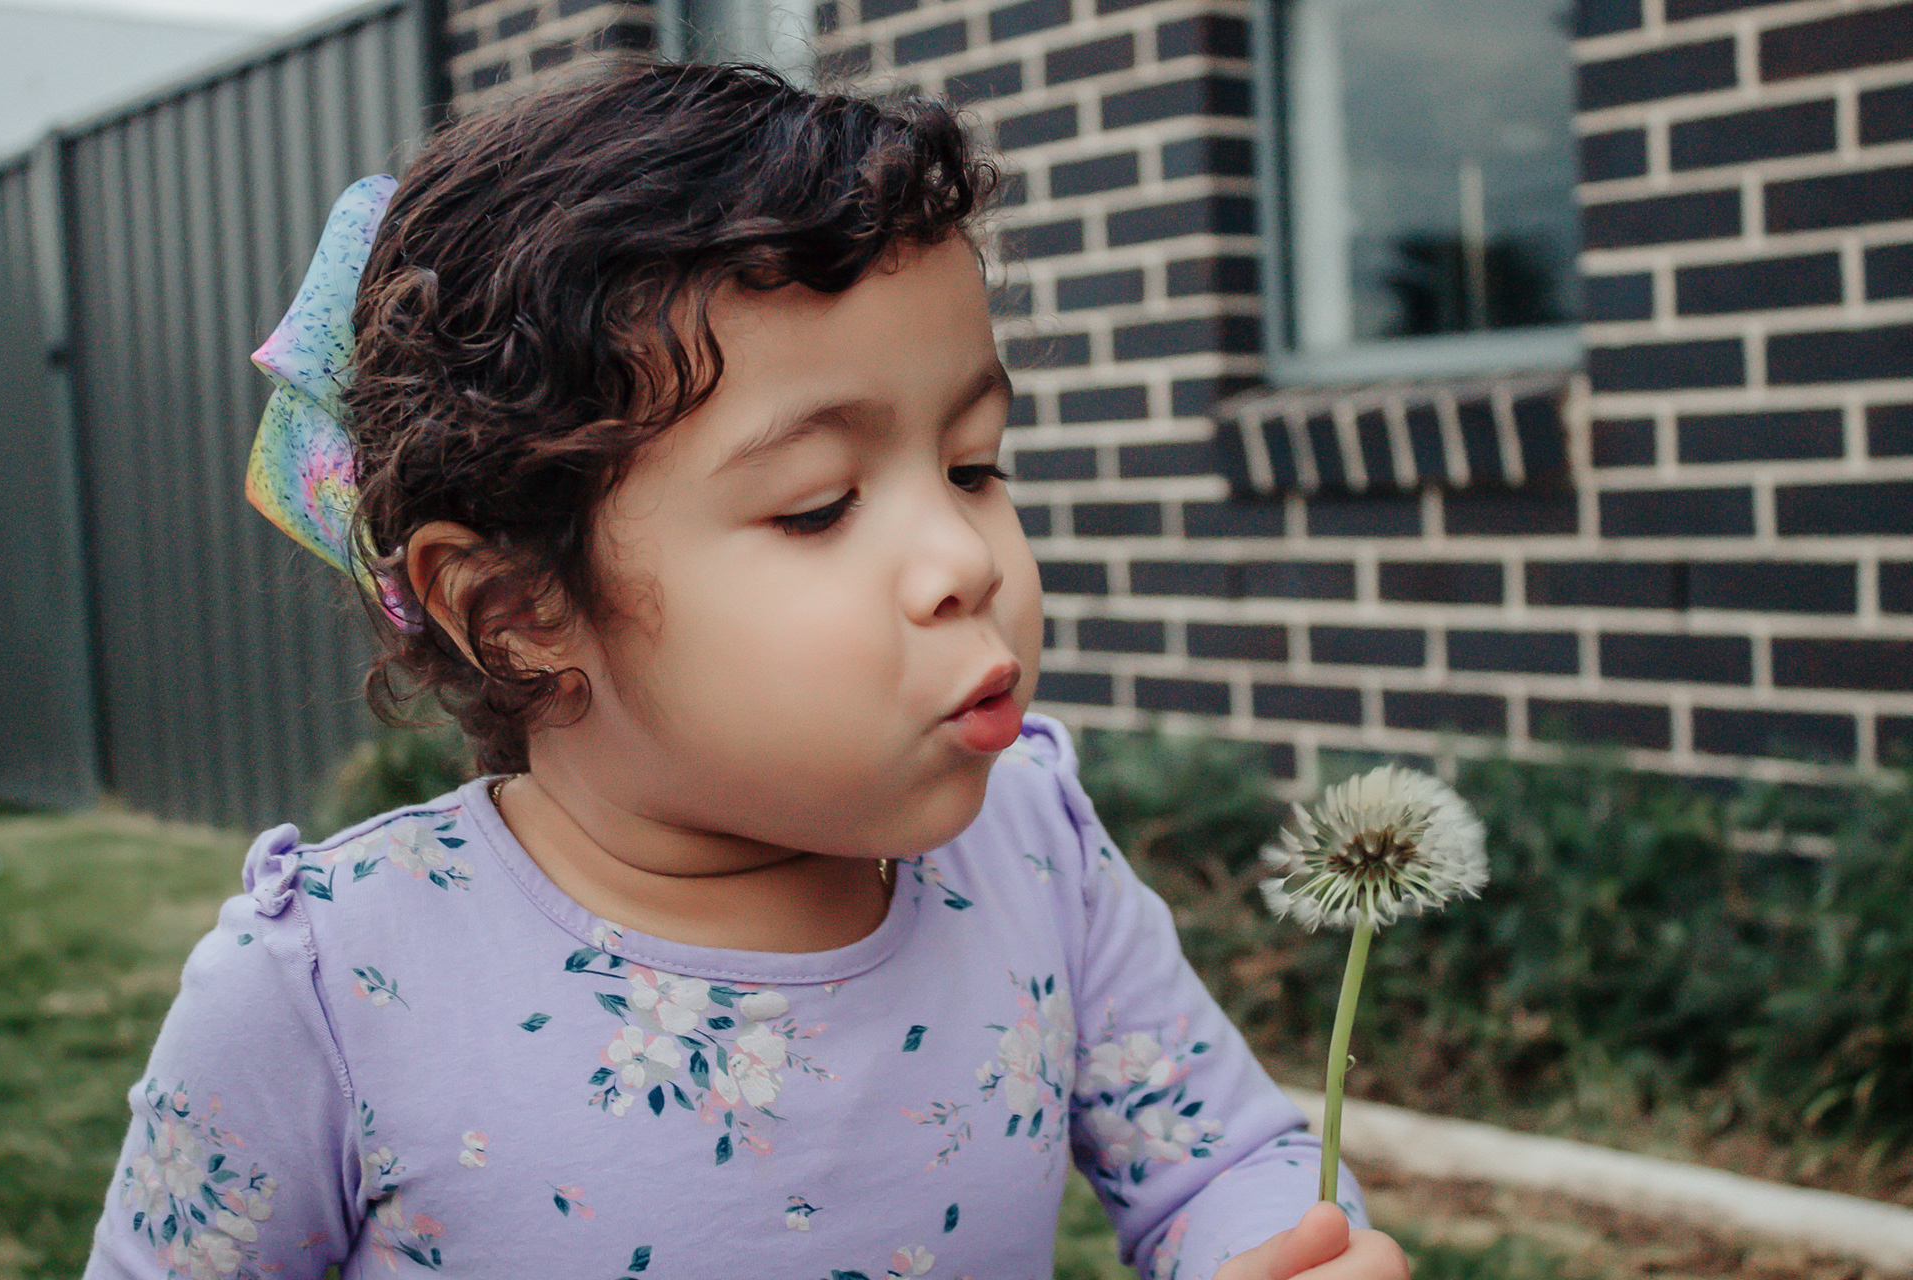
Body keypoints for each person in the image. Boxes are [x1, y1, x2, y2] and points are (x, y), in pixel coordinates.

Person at [85, 60, 1408, 1280]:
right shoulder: (331, 988)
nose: (966, 557)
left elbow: (1221, 1163)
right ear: (517, 609)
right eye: (820, 506)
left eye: (973, 466)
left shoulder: (1032, 852)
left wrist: (1275, 1244)